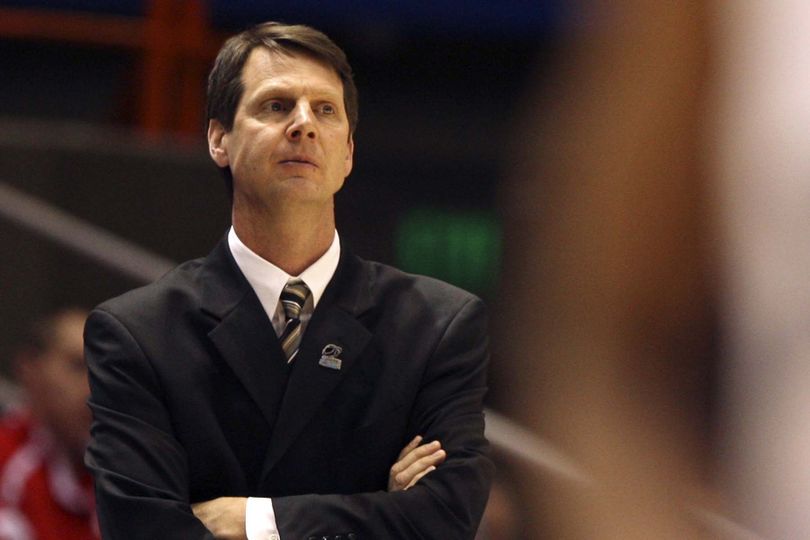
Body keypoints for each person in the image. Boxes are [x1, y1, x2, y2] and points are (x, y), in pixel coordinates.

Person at [84, 21, 493, 539]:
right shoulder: (136, 333)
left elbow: (446, 517)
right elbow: (142, 529)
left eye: (325, 110)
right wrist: (378, 510)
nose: (304, 124)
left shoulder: (438, 325)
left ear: (347, 152)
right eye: (276, 106)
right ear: (218, 139)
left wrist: (254, 521)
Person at [0, 308, 97, 539]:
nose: (94, 388)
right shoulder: (8, 470)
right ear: (29, 367)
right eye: (78, 366)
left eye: (103, 373)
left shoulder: (117, 480)